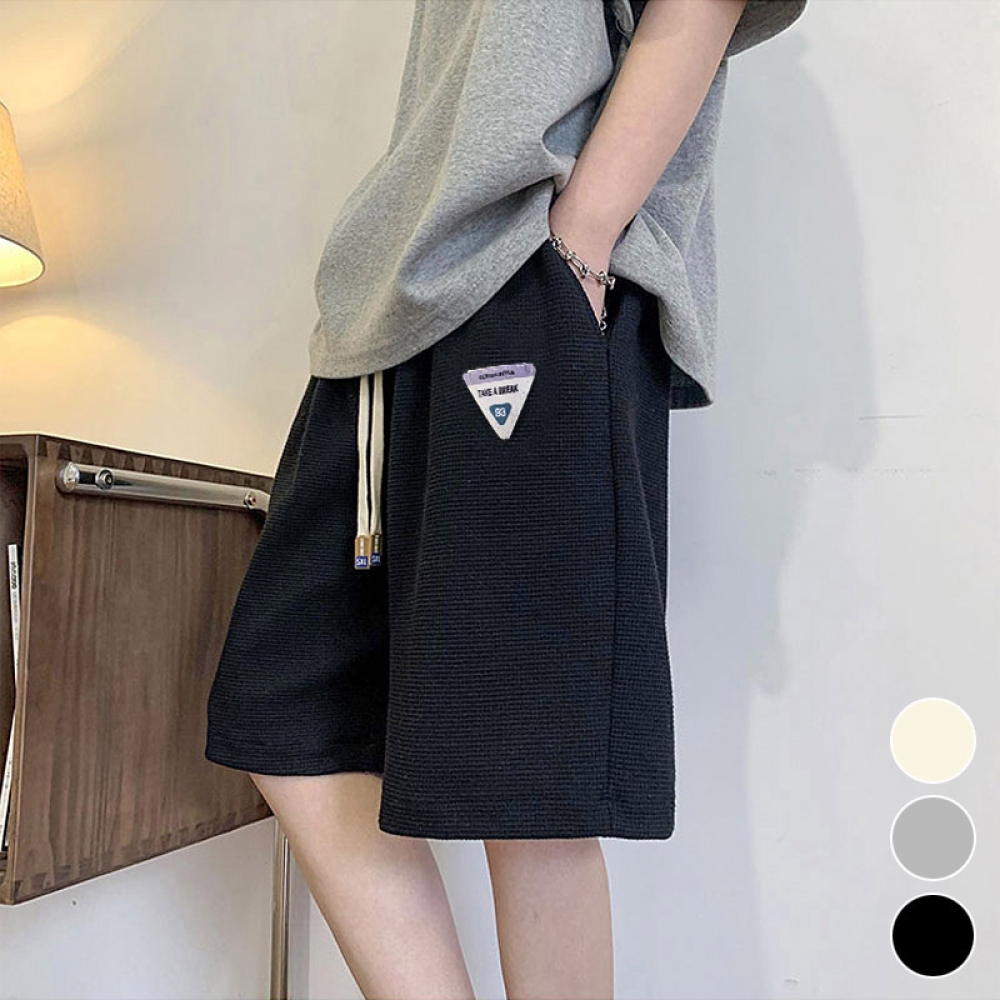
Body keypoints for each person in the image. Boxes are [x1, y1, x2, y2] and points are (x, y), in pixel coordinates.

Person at [204, 1, 808, 997]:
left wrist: (579, 242)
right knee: (288, 712)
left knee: (527, 774)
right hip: (393, 306)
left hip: (531, 273)